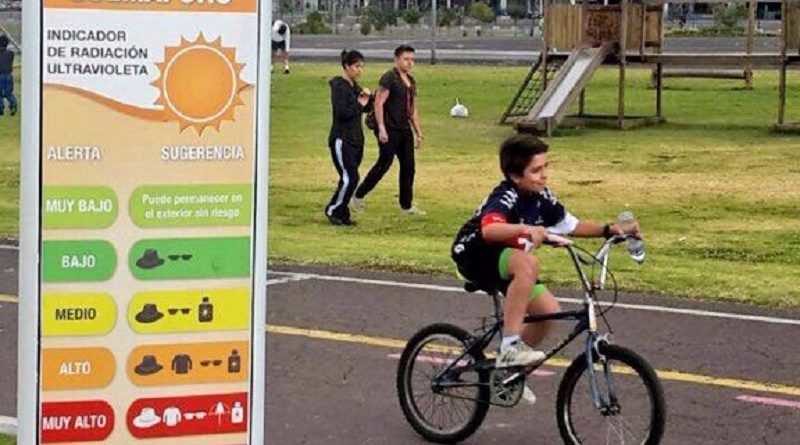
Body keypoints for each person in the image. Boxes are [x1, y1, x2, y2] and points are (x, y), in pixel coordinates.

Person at [451, 134, 641, 376]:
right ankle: (510, 346)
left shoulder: (542, 197)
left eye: (545, 167)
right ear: (515, 175)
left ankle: (507, 378)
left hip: (508, 261)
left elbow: (571, 225)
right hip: (474, 254)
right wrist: (526, 229)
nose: (544, 175)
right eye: (536, 170)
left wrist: (608, 230)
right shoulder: (506, 195)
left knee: (547, 311)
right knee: (527, 263)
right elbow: (490, 229)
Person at [352, 45, 425, 216]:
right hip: (389, 128)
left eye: (412, 59)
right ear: (397, 59)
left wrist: (418, 132)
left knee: (409, 166)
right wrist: (382, 128)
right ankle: (358, 195)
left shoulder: (411, 81)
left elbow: (412, 109)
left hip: (404, 129)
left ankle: (406, 206)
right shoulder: (389, 78)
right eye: (406, 59)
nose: (410, 63)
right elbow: (378, 103)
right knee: (384, 163)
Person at [324, 49, 372, 226]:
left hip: (355, 140)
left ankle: (342, 213)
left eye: (362, 67)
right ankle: (333, 210)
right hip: (341, 139)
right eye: (357, 66)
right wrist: (360, 103)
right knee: (350, 178)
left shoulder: (354, 87)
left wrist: (370, 99)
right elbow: (343, 113)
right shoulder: (339, 87)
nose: (360, 70)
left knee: (349, 178)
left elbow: (365, 108)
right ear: (346, 66)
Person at [0, 35, 17, 117]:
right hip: (9, 76)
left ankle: (0, 109)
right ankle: (13, 105)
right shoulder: (11, 53)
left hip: (0, 75)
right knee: (9, 93)